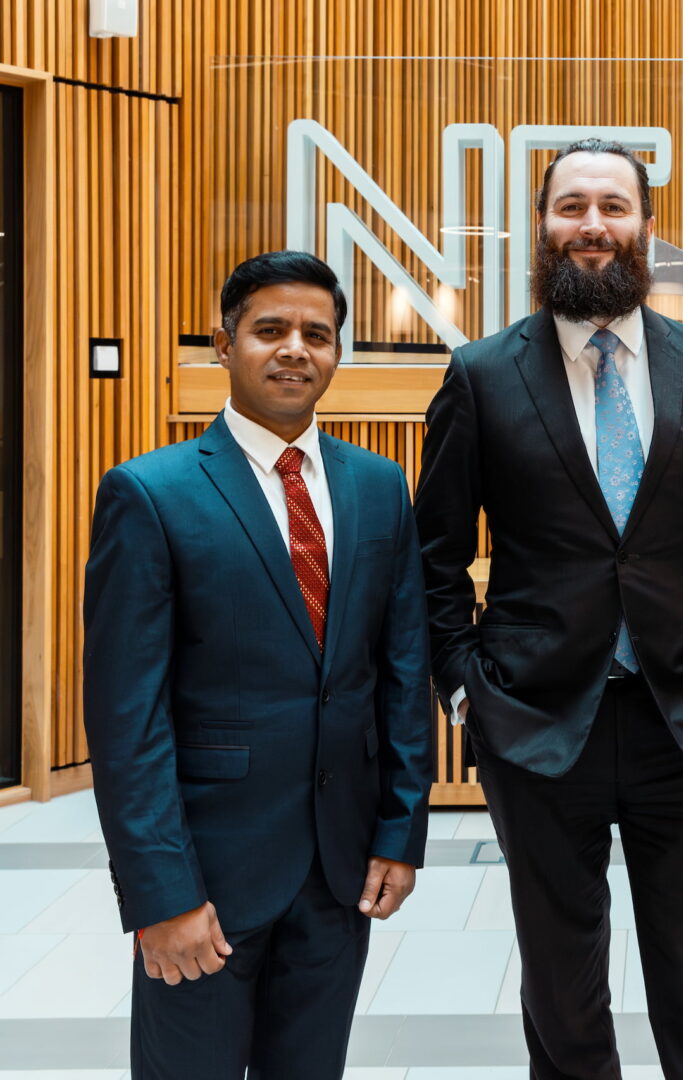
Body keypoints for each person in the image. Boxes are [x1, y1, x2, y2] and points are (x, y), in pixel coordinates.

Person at [414, 138, 683, 1080]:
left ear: (645, 227)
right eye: (571, 207)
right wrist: (466, 693)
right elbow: (436, 559)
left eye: (613, 207)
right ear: (541, 226)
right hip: (533, 720)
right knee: (561, 990)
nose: (593, 227)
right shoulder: (482, 375)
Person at [81, 251, 435, 1079]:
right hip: (205, 880)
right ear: (222, 343)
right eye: (269, 330)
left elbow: (400, 673)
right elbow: (125, 717)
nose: (295, 350)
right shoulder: (150, 493)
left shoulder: (379, 487)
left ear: (338, 352)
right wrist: (160, 894)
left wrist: (400, 831)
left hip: (339, 873)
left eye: (317, 333)